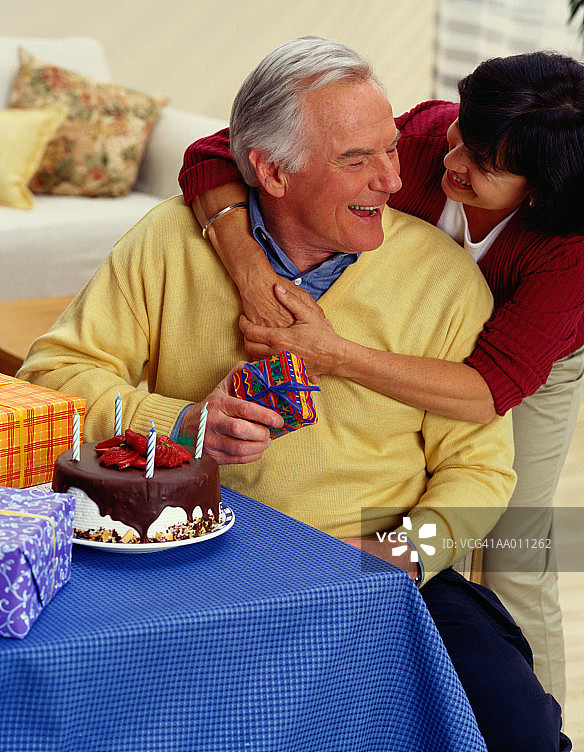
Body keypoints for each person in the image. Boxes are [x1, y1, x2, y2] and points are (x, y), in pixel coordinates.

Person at [18, 38, 569, 750]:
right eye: (356, 161)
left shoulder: (444, 279)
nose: (394, 182)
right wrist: (179, 423)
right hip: (186, 553)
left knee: (519, 727)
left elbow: (482, 471)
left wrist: (406, 547)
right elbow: (50, 375)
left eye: (393, 151)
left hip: (375, 558)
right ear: (271, 171)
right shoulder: (169, 241)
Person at [178, 49, 584, 709]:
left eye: (482, 166)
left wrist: (333, 354)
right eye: (462, 139)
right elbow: (220, 150)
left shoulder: (568, 253)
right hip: (413, 317)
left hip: (519, 363)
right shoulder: (424, 141)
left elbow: (488, 389)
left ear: (535, 190)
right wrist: (251, 269)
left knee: (515, 545)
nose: (450, 164)